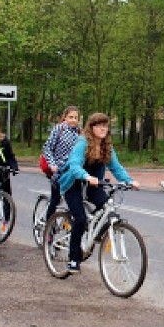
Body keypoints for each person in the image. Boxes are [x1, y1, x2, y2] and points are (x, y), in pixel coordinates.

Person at [57, 113, 139, 273]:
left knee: (107, 205)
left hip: (94, 183)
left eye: (105, 126)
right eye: (99, 125)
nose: (103, 128)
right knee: (79, 219)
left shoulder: (106, 146)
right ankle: (73, 259)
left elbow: (116, 167)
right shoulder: (82, 143)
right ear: (92, 127)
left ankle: (92, 233)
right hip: (73, 183)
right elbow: (74, 165)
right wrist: (86, 176)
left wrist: (129, 181)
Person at [42, 105, 81, 221]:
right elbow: (47, 148)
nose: (73, 120)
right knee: (55, 199)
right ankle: (48, 228)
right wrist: (52, 164)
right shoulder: (59, 129)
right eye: (71, 117)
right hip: (58, 171)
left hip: (73, 171)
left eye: (76, 117)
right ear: (65, 117)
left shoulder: (79, 132)